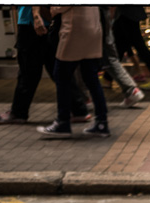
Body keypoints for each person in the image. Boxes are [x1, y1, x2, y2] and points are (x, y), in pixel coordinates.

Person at [0, 6, 90, 125]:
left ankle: (18, 113)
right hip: (47, 23)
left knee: (28, 73)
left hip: (32, 24)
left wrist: (36, 15)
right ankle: (79, 109)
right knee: (57, 70)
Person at [38, 6, 109, 138]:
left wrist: (54, 8)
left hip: (74, 29)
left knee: (61, 76)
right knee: (92, 79)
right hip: (93, 28)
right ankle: (101, 123)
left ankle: (63, 122)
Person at [99, 7, 144, 109]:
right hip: (104, 17)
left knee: (82, 59)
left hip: (97, 18)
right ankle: (131, 90)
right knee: (110, 57)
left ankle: (82, 99)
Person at [112, 6, 150, 90]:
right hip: (128, 13)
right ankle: (107, 78)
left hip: (128, 14)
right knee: (121, 46)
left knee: (138, 46)